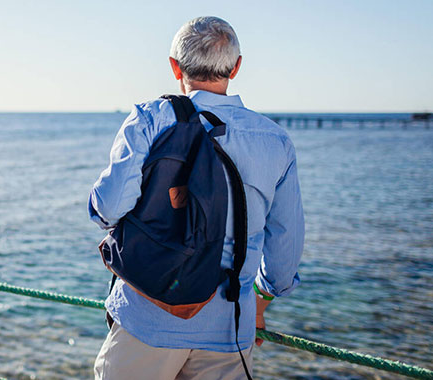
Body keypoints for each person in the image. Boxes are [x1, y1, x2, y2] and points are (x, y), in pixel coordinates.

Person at [88, 16, 304, 380]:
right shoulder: (276, 141)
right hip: (229, 327)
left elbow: (108, 209)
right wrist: (262, 300)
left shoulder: (149, 119)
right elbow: (284, 253)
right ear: (236, 67)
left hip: (148, 320)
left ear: (175, 68)